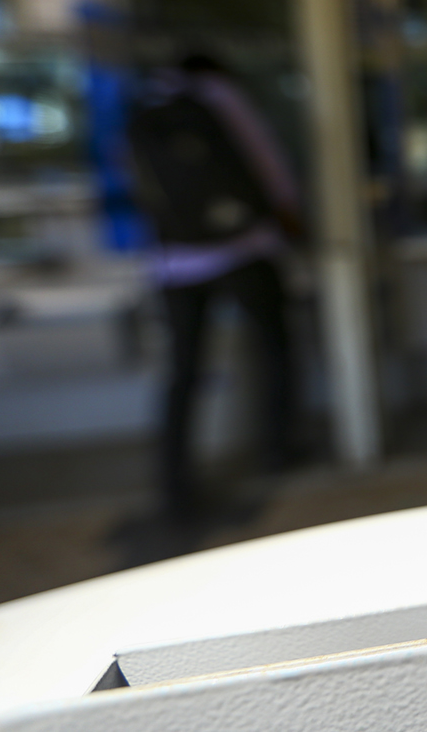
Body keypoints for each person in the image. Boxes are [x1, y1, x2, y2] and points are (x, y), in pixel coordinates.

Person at [127, 53, 304, 520]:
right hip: (243, 247)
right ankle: (278, 447)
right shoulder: (220, 97)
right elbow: (265, 160)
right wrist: (288, 216)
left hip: (172, 261)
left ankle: (174, 481)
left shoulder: (145, 104)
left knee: (183, 370)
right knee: (275, 347)